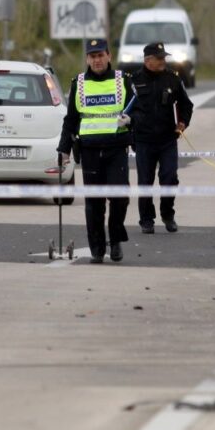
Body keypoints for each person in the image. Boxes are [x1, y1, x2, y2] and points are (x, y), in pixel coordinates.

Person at [57, 38, 132, 264]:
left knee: (120, 198)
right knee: (94, 204)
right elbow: (71, 119)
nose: (97, 60)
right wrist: (64, 149)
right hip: (89, 151)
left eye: (100, 55)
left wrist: (131, 120)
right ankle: (97, 249)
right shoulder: (78, 83)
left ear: (109, 56)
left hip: (116, 149)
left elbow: (138, 111)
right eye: (92, 56)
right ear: (87, 59)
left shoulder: (122, 80)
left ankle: (115, 239)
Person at [127, 42, 193, 234]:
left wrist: (183, 123)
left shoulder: (173, 79)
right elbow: (125, 109)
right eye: (159, 58)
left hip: (167, 139)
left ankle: (168, 214)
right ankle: (146, 219)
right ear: (148, 60)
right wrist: (130, 129)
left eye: (164, 57)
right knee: (145, 182)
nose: (163, 61)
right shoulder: (133, 81)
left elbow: (186, 105)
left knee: (170, 177)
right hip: (143, 140)